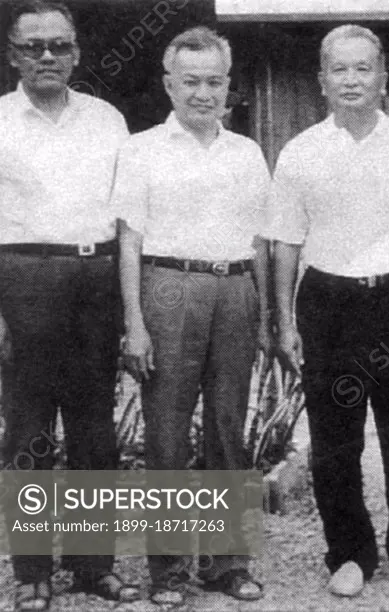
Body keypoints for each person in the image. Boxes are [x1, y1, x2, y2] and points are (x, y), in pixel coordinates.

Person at [266, 24, 389, 599]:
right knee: (335, 440)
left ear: (383, 79)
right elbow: (285, 243)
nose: (351, 80)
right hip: (328, 302)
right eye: (339, 69)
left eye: (363, 69)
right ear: (322, 81)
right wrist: (284, 321)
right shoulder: (300, 150)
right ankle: (348, 554)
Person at [113, 26, 269, 605]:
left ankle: (229, 564)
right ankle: (170, 571)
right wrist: (134, 320)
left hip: (234, 291)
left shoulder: (247, 152)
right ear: (168, 85)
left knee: (230, 428)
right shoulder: (141, 148)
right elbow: (129, 239)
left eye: (214, 82)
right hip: (167, 286)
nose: (203, 94)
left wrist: (269, 315)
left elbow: (260, 240)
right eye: (191, 82)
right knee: (167, 434)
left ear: (228, 86)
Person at [0, 2, 137, 610]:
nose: (47, 57)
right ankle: (31, 572)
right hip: (23, 276)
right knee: (28, 430)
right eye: (34, 47)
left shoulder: (107, 120)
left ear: (77, 53)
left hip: (95, 278)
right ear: (13, 54)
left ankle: (91, 567)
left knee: (93, 432)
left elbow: (130, 215)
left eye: (59, 45)